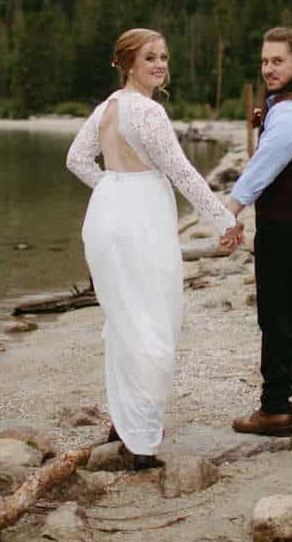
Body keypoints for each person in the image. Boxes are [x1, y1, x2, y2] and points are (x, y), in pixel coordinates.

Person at [65, 28, 242, 469]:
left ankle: (124, 422)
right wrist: (224, 220)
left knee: (125, 318)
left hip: (106, 216)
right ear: (128, 64)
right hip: (140, 220)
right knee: (153, 321)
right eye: (150, 58)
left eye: (163, 56)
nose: (160, 65)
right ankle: (141, 441)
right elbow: (182, 174)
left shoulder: (106, 108)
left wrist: (111, 187)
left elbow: (77, 160)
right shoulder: (148, 113)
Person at [221, 27, 292, 438]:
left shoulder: (289, 112)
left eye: (277, 61)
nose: (268, 68)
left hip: (286, 226)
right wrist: (265, 115)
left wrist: (228, 212)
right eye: (265, 61)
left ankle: (274, 408)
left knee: (276, 316)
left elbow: (261, 170)